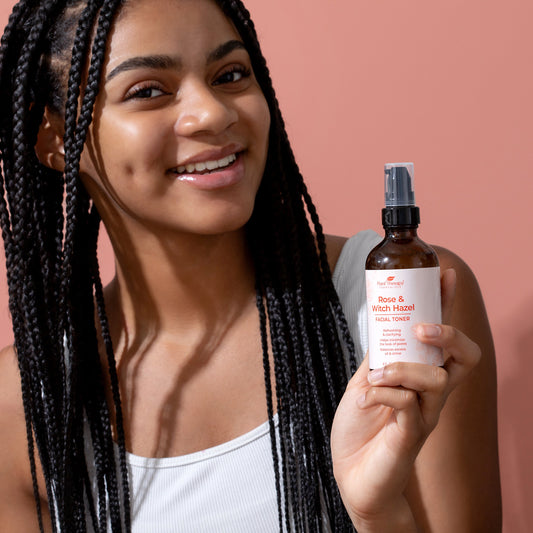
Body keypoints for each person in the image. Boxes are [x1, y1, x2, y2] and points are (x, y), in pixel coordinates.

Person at [0, 0, 501, 531]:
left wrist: (375, 513)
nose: (213, 113)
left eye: (230, 74)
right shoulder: (24, 404)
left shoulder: (399, 303)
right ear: (54, 137)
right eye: (147, 91)